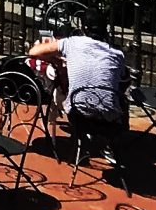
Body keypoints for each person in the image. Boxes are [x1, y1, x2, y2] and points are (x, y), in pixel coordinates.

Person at [28, 29, 130, 168]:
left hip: (77, 117)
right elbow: (124, 81)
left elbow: (34, 52)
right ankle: (112, 148)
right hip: (109, 123)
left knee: (76, 97)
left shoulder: (73, 43)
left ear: (83, 29)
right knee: (121, 100)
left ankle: (83, 146)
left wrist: (56, 60)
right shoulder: (117, 54)